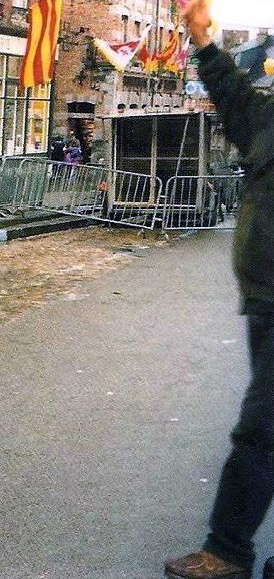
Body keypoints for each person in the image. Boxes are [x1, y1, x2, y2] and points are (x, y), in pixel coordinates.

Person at [165, 2, 274, 578]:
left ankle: (227, 550)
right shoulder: (270, 118)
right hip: (266, 300)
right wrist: (202, 38)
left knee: (263, 428)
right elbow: (234, 99)